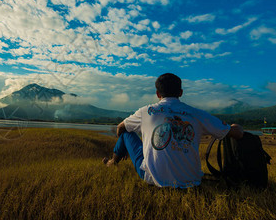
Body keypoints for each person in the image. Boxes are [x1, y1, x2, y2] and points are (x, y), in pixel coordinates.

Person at [103, 73, 244, 188]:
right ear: (181, 93)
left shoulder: (146, 111)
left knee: (126, 132)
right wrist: (234, 126)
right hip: (192, 181)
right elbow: (237, 133)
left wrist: (124, 149)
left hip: (152, 179)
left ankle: (112, 162)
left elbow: (120, 127)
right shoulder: (197, 113)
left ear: (158, 94)